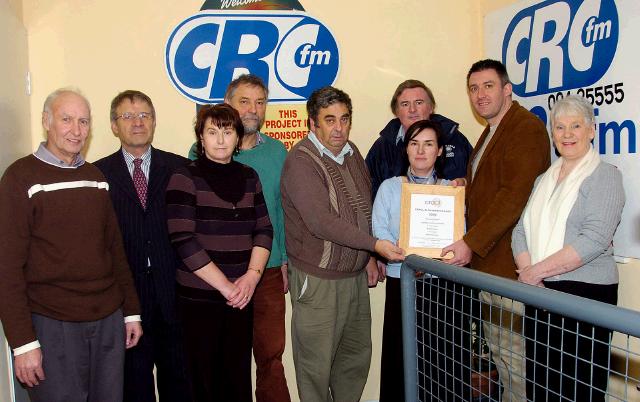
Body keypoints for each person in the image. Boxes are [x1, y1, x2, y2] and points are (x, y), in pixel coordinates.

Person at [0, 88, 142, 402]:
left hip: (107, 320)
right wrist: (23, 344)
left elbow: (115, 250)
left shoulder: (96, 178)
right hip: (52, 324)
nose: (76, 130)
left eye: (83, 121)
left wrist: (131, 312)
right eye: (67, 119)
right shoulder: (20, 179)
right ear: (46, 121)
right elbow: (7, 269)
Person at [281, 86, 405, 402]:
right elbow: (320, 221)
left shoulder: (351, 152)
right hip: (319, 281)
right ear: (313, 124)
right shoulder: (301, 160)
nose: (339, 128)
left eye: (344, 119)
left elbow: (363, 207)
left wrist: (366, 257)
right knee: (316, 369)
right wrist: (375, 245)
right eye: (330, 120)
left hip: (353, 279)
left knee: (354, 362)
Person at [442, 59, 551, 401]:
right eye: (473, 88)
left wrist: (470, 243)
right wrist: (467, 186)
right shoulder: (491, 131)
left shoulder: (525, 128)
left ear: (507, 89)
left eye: (488, 86)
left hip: (510, 268)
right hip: (491, 270)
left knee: (516, 363)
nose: (480, 95)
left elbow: (514, 195)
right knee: (503, 360)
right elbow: (493, 188)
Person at [512, 95, 624, 401]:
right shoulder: (542, 180)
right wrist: (529, 275)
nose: (567, 133)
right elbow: (520, 231)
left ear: (592, 130)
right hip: (538, 290)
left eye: (576, 125)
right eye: (559, 127)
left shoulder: (606, 176)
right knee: (541, 382)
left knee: (578, 386)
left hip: (585, 294)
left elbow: (595, 238)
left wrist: (535, 272)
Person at [188, 74, 291, 402]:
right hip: (217, 276)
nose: (253, 109)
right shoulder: (199, 153)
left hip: (268, 271)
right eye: (244, 101)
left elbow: (279, 209)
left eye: (260, 102)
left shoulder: (277, 151)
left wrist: (284, 259)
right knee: (222, 360)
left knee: (270, 356)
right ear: (228, 104)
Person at [167, 103, 273, 402]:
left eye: (228, 132)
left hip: (241, 297)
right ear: (200, 138)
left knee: (237, 379)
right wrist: (226, 286)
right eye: (212, 132)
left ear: (238, 137)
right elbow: (183, 239)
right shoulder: (184, 177)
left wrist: (251, 279)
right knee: (202, 383)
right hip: (199, 300)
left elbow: (264, 230)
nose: (221, 139)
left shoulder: (250, 176)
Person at [95, 90, 190, 402]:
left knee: (180, 381)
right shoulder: (98, 175)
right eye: (128, 116)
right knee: (134, 386)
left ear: (154, 121)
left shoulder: (180, 168)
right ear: (113, 125)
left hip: (174, 293)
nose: (137, 123)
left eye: (144, 115)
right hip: (126, 300)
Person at [373, 119, 473, 401]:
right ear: (406, 150)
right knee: (400, 360)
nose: (421, 151)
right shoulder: (389, 188)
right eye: (414, 144)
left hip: (441, 289)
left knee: (441, 364)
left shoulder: (451, 191)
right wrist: (394, 250)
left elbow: (461, 236)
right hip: (401, 283)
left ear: (440, 150)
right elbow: (379, 230)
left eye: (429, 144)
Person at [365, 79, 472, 197]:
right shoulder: (382, 148)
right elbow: (367, 191)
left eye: (419, 102)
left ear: (431, 107)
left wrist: (465, 182)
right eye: (405, 104)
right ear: (396, 111)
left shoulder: (454, 140)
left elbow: (476, 177)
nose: (412, 110)